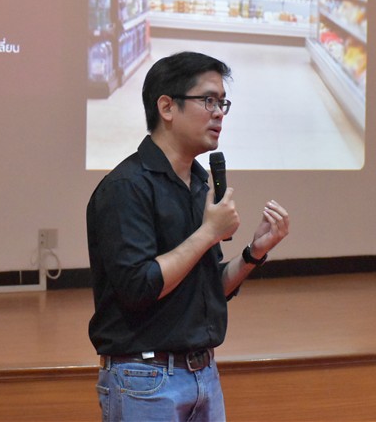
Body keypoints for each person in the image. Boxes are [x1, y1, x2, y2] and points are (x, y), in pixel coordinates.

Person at [86, 51, 290, 421]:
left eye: (222, 102)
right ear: (167, 107)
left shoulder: (198, 183)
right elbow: (139, 287)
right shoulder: (125, 187)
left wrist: (253, 254)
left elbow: (208, 289)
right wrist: (209, 232)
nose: (219, 113)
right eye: (208, 100)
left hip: (203, 374)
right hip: (144, 379)